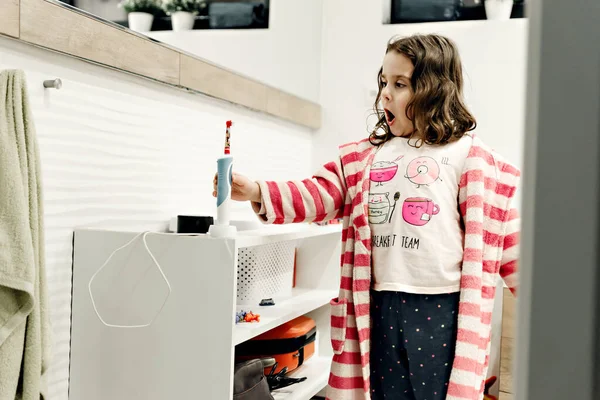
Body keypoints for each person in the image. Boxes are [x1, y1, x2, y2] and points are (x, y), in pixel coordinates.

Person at [213, 34, 520, 400]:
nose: (385, 94)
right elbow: (319, 193)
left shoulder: (470, 157)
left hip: (442, 307)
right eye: (383, 82)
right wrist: (258, 191)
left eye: (400, 84)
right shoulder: (366, 157)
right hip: (378, 304)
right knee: (385, 392)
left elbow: (508, 239)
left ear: (435, 91)